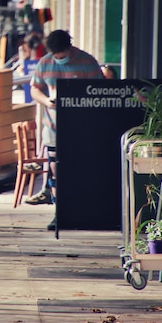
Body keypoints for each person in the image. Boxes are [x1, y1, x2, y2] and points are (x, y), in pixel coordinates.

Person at [25, 30, 103, 229]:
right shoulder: (45, 62)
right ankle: (59, 213)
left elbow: (101, 91)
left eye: (63, 55)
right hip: (53, 127)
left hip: (81, 128)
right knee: (56, 171)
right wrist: (46, 101)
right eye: (56, 56)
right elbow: (34, 88)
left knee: (80, 170)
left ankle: (84, 213)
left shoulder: (87, 62)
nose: (59, 59)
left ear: (70, 47)